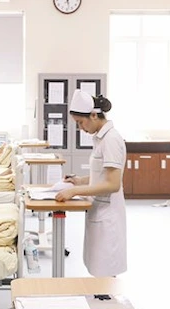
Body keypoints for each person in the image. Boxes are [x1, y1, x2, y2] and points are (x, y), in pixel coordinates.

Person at [55, 90, 127, 277]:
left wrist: (76, 191)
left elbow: (113, 184)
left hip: (108, 214)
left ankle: (106, 301)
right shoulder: (101, 138)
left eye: (81, 122)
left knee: (105, 271)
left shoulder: (111, 139)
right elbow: (102, 174)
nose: (81, 128)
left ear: (94, 115)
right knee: (98, 268)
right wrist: (79, 181)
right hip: (98, 210)